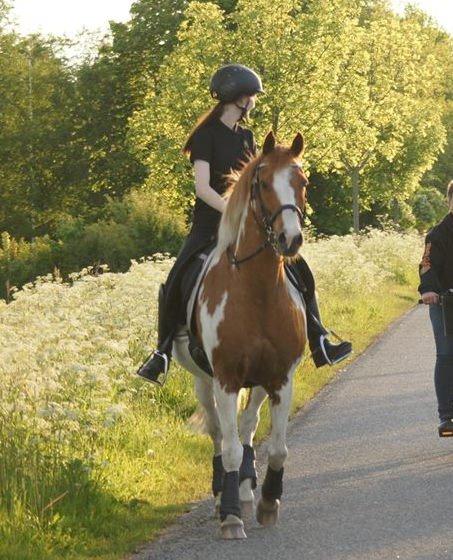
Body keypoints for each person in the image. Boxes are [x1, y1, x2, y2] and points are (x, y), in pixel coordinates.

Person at [137, 63, 352, 385]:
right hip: (210, 224)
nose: (254, 101)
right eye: (251, 96)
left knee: (301, 271)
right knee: (176, 277)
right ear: (235, 97)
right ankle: (162, 352)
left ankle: (320, 340)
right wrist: (231, 210)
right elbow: (202, 188)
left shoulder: (248, 137)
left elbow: (255, 182)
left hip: (249, 226)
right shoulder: (205, 137)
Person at [419, 180, 453, 436]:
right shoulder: (438, 234)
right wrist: (429, 291)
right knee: (446, 354)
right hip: (446, 303)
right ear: (450, 201)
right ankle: (447, 416)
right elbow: (427, 265)